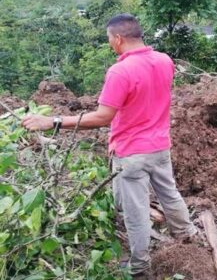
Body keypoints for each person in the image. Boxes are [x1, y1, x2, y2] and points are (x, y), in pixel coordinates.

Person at [22, 14, 199, 277]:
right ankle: (189, 237)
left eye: (109, 39)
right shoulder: (164, 61)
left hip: (131, 153)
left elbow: (103, 117)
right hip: (160, 146)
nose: (109, 45)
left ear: (118, 38)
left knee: (135, 213)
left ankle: (139, 268)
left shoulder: (120, 71)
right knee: (169, 194)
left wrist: (52, 121)